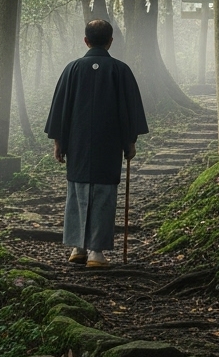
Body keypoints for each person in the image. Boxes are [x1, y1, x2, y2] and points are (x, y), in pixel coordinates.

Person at [45, 19, 147, 268]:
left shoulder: (72, 69)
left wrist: (59, 142)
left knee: (78, 191)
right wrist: (130, 142)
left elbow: (61, 109)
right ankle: (95, 253)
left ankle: (78, 247)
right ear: (111, 41)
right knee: (103, 193)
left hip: (78, 144)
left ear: (86, 41)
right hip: (108, 145)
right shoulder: (120, 70)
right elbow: (129, 110)